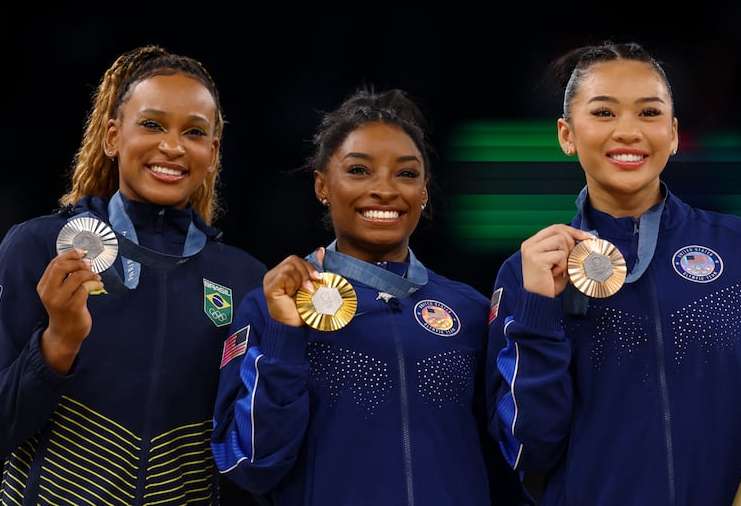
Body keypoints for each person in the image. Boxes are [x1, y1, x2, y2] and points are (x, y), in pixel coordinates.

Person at [0, 45, 268, 505]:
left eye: (192, 132)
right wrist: (58, 343)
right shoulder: (37, 247)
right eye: (151, 124)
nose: (171, 145)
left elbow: (250, 453)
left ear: (211, 152)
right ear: (113, 137)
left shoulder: (244, 279)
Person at [211, 86, 535, 505]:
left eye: (406, 173)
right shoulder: (272, 306)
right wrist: (284, 336)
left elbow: (516, 463)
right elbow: (250, 465)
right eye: (359, 171)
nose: (385, 189)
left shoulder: (470, 311)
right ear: (322, 185)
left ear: (424, 191)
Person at [485, 40, 741, 505]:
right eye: (602, 113)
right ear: (566, 134)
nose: (628, 132)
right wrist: (538, 311)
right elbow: (528, 450)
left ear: (674, 134)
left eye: (649, 113)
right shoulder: (529, 272)